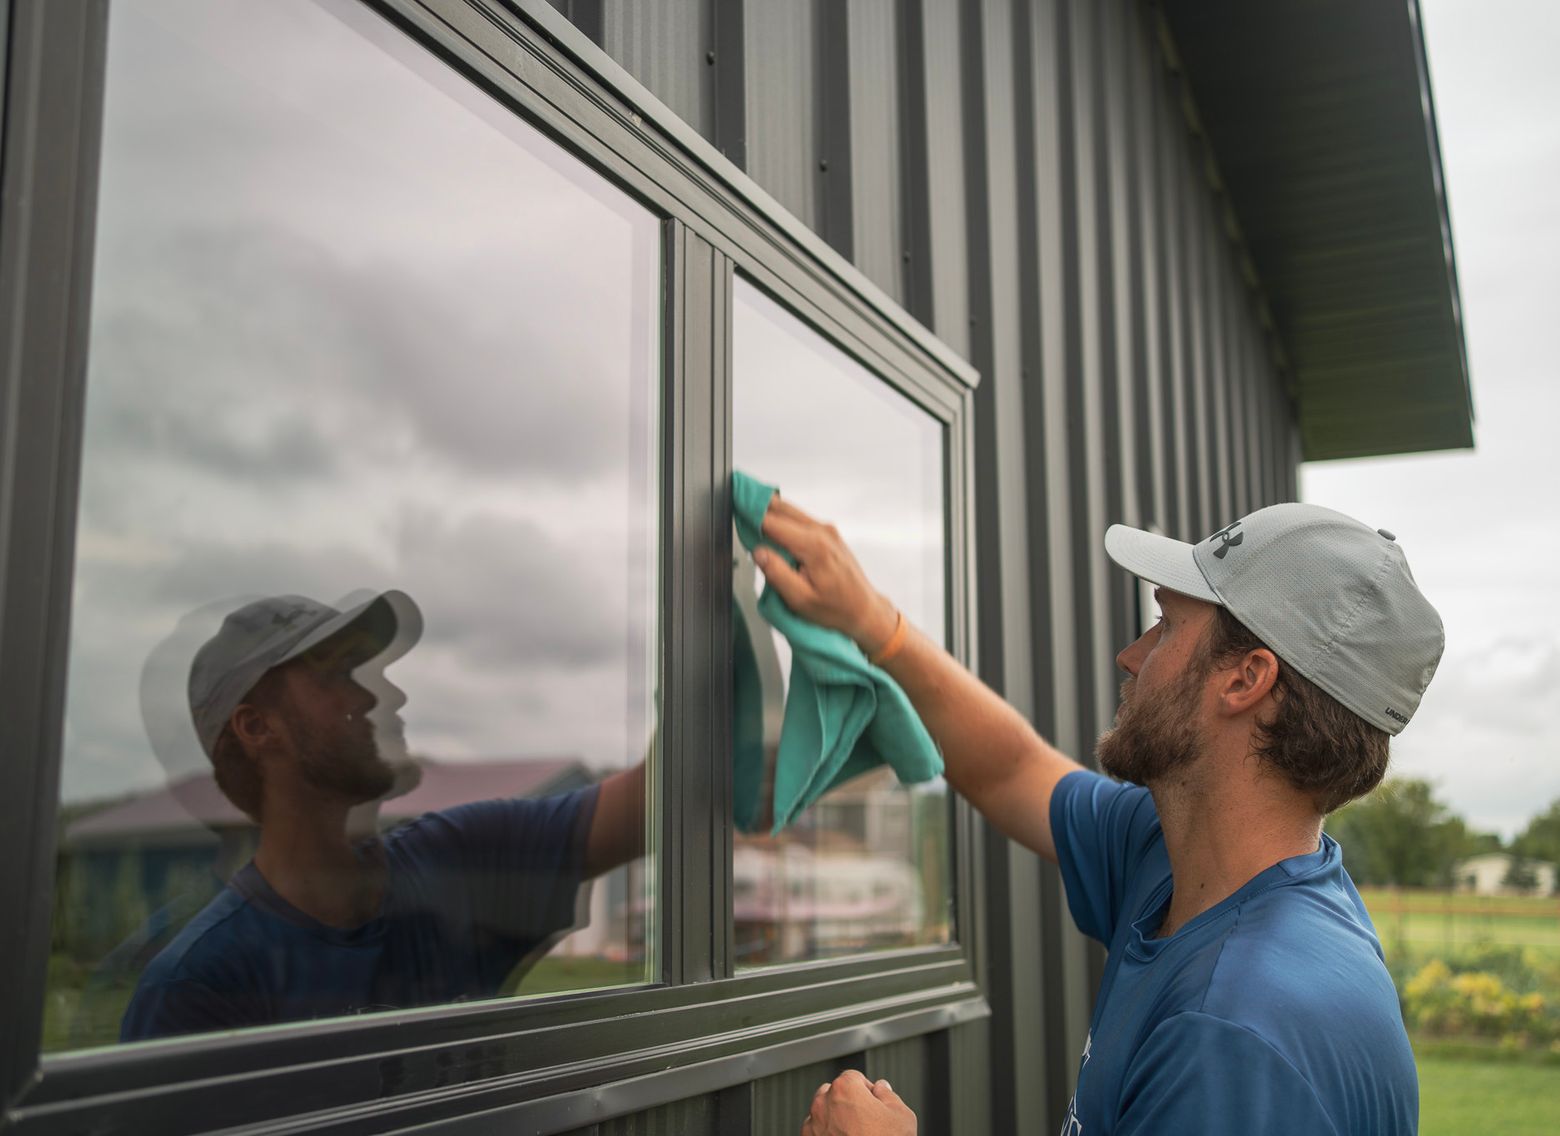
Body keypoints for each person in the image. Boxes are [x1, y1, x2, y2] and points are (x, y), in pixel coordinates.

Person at [764, 499, 1441, 1135]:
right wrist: (871, 623)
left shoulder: (1235, 1032)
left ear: (1244, 680)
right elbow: (1013, 770)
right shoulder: (1178, 859)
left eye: (1168, 625)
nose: (1132, 655)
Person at [121, 590, 645, 1040]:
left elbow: (654, 799)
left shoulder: (461, 858)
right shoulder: (197, 988)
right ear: (258, 728)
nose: (388, 693)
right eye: (342, 672)